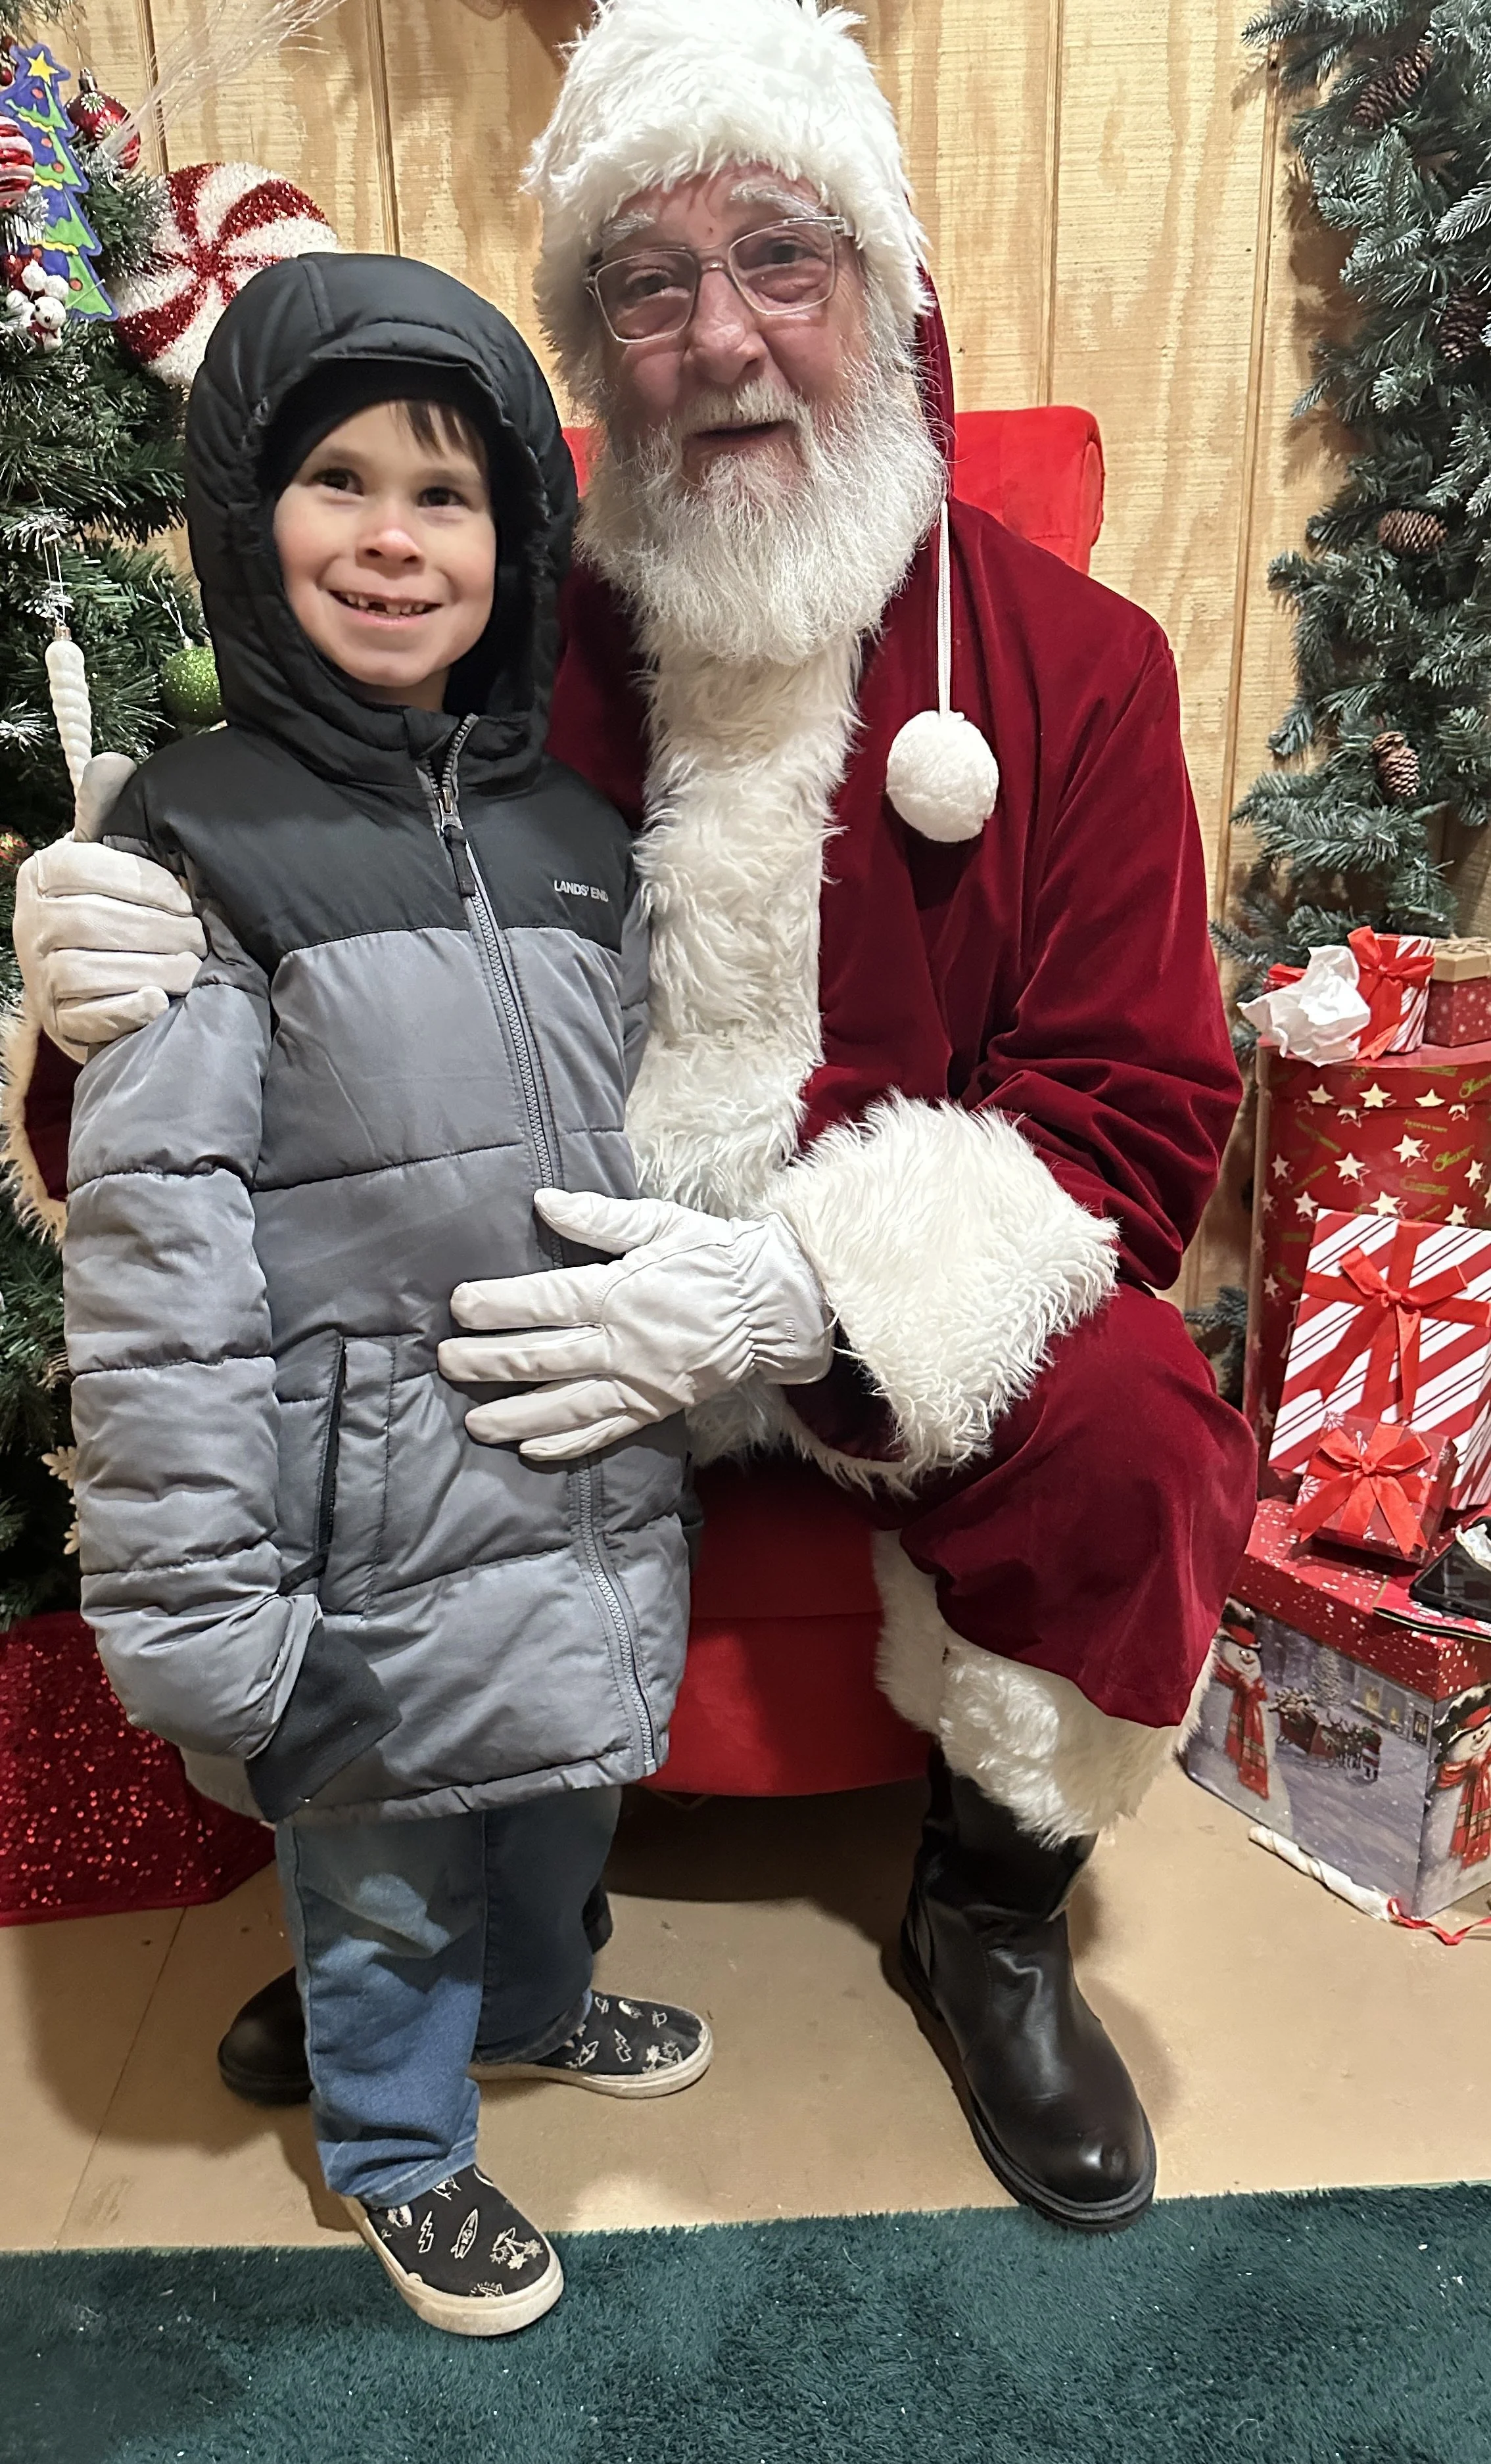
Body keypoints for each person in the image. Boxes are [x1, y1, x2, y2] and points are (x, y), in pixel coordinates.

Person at [14, 0, 1257, 2235]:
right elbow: (277, 951)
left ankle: (981, 1907)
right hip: (542, 1264)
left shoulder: (1074, 664)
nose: (719, 337)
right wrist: (96, 978)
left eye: (779, 258)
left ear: (884, 292)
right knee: (353, 1374)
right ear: (594, 346)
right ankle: (411, 1919)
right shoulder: (506, 625)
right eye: (647, 284)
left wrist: (794, 1292)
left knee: (1145, 1425)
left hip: (884, 1313)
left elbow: (1134, 1112)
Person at [56, 246, 756, 2335]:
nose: (389, 537)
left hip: (576, 1466)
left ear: (516, 540)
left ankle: (535, 2008)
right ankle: (394, 2144)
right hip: (350, 1514)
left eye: (444, 493)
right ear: (245, 529)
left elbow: (663, 1126)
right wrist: (200, 1609)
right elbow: (155, 1255)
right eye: (336, 481)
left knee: (555, 1809)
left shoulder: (577, 829)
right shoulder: (197, 841)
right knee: (376, 1873)